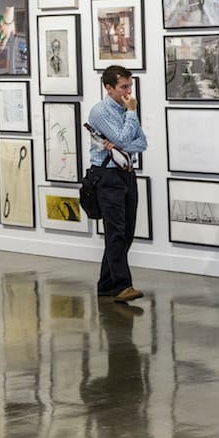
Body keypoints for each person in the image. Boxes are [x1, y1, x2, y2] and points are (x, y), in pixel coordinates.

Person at [87, 65, 149, 303]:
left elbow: (141, 143)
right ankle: (122, 286)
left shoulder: (125, 109)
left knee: (127, 231)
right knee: (115, 233)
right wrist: (131, 114)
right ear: (109, 88)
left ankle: (106, 284)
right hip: (108, 177)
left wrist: (123, 142)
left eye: (130, 86)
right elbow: (122, 139)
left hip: (127, 174)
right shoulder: (100, 112)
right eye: (124, 87)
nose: (128, 91)